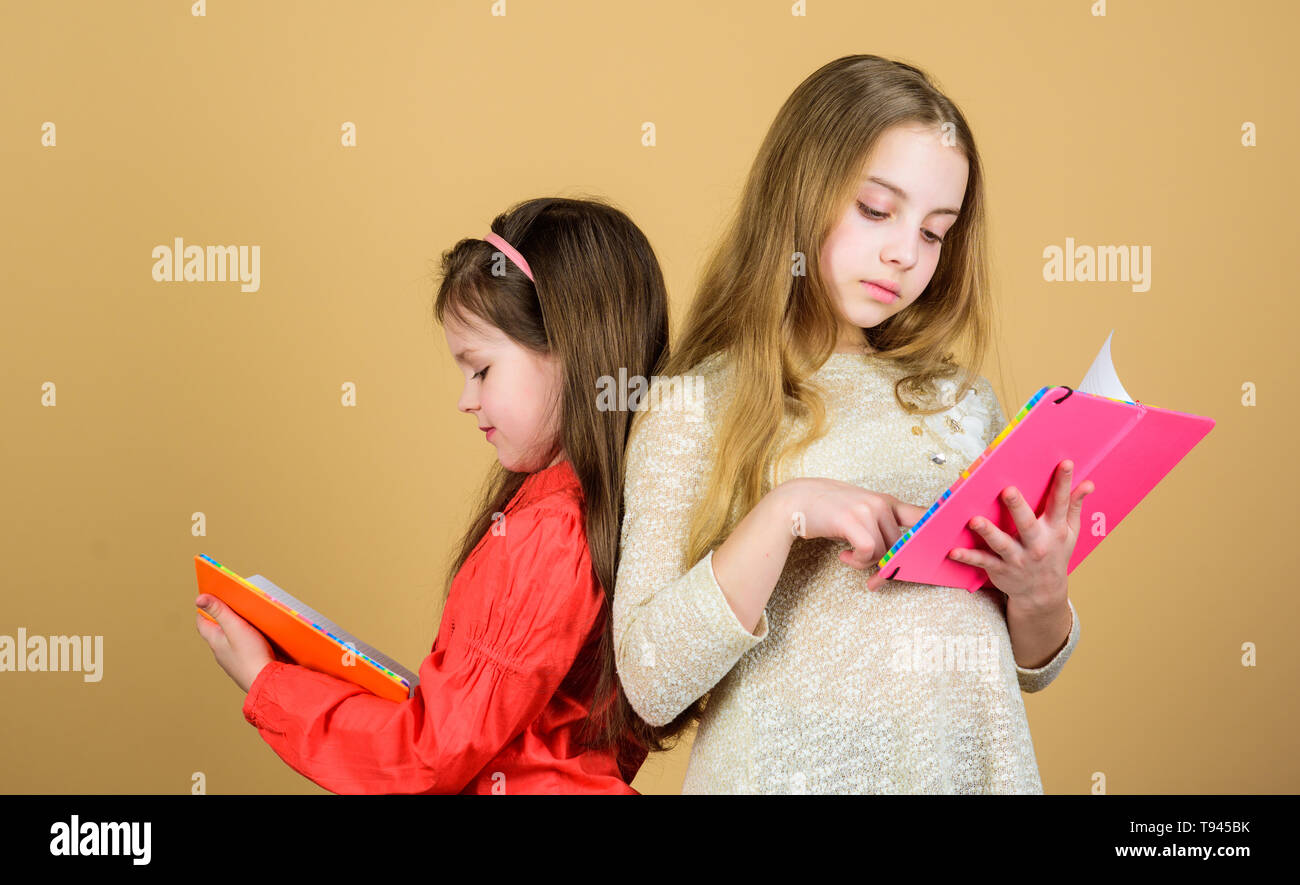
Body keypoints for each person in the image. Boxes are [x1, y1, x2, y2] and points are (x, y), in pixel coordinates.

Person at [612, 55, 1094, 793]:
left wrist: (1039, 595)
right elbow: (647, 677)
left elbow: (1027, 664)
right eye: (876, 210)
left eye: (936, 232)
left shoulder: (964, 404)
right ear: (799, 195)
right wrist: (786, 511)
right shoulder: (697, 405)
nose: (905, 252)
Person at [196, 196, 672, 793]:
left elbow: (429, 754)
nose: (466, 399)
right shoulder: (602, 516)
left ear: (574, 354)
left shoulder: (547, 535)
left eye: (481, 369)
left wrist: (266, 682)